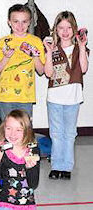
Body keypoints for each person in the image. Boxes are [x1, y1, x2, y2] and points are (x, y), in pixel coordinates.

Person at [43, 11, 89, 180]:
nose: (65, 31)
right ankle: (56, 166)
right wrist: (48, 52)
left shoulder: (80, 48)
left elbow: (83, 69)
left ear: (74, 28)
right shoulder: (53, 48)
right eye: (61, 27)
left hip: (73, 98)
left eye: (68, 27)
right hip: (54, 98)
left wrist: (83, 47)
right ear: (55, 29)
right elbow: (48, 73)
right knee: (56, 133)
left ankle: (66, 167)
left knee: (69, 133)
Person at [0, 4, 45, 121]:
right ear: (9, 22)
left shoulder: (36, 41)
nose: (20, 26)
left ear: (30, 22)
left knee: (25, 130)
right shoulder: (2, 42)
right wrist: (6, 57)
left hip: (26, 96)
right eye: (16, 21)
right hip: (6, 96)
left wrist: (35, 56)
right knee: (7, 129)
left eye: (24, 21)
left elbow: (41, 71)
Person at [0, 109, 40, 209]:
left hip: (27, 205)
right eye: (8, 128)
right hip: (4, 204)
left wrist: (30, 168)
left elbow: (33, 184)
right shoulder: (0, 151)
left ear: (27, 131)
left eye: (18, 130)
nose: (12, 134)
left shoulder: (32, 150)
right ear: (3, 128)